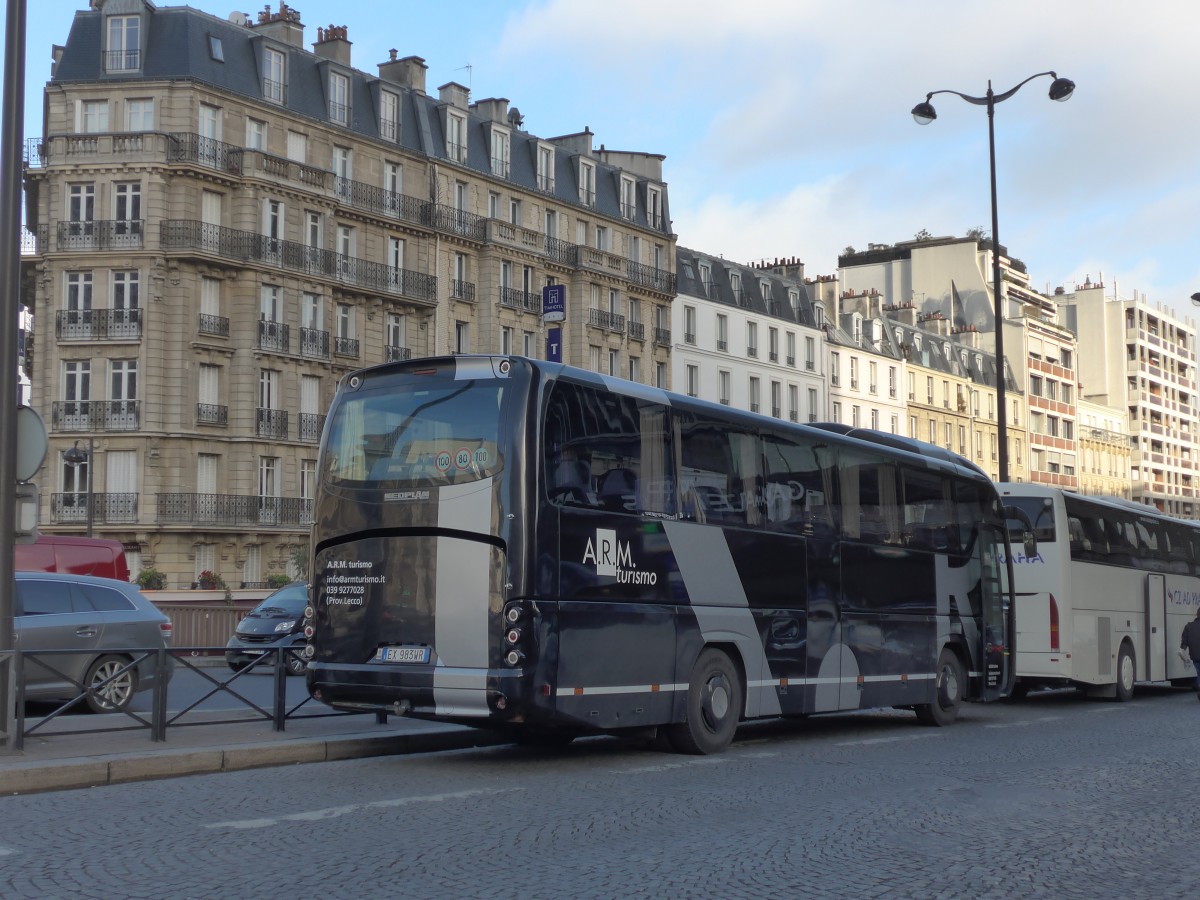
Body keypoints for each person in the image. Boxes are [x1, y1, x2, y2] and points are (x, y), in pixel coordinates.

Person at [1181, 608, 1200, 699]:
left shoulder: (1189, 626)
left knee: (1199, 673)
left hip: (1195, 655)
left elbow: (1184, 642)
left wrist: (1183, 650)